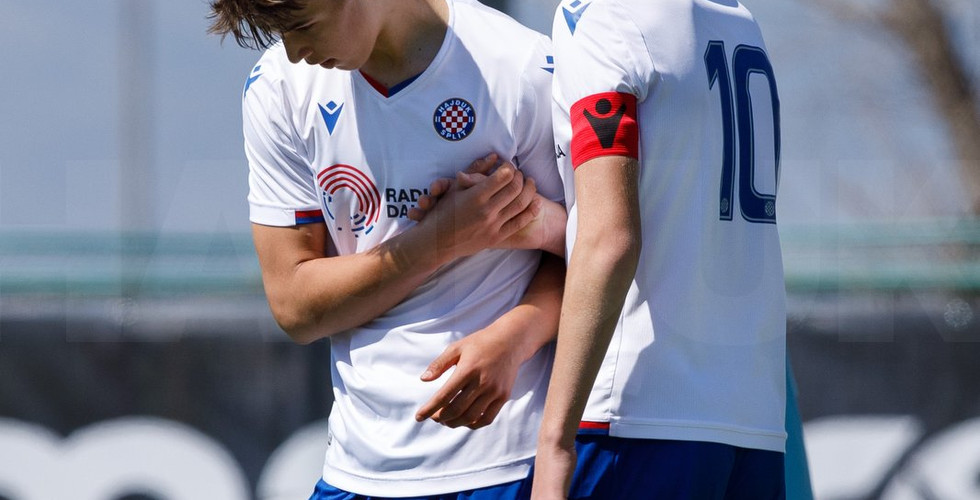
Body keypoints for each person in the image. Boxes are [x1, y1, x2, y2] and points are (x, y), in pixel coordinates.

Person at [207, 0, 567, 498]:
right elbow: (294, 306)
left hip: (508, 465)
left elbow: (598, 251)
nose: (293, 51)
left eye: (302, 26)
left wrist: (518, 335)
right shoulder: (278, 88)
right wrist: (440, 239)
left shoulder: (523, 69)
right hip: (355, 469)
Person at [532, 0, 788, 498]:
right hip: (753, 421)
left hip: (637, 416)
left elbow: (610, 240)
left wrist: (553, 441)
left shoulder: (601, 15)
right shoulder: (739, 18)